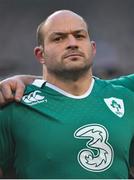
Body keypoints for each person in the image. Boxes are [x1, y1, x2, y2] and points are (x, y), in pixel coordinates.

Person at [0, 9, 134, 179]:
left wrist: (27, 80)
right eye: (58, 38)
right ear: (40, 54)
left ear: (92, 48)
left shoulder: (126, 98)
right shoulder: (14, 106)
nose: (72, 43)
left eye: (79, 36)